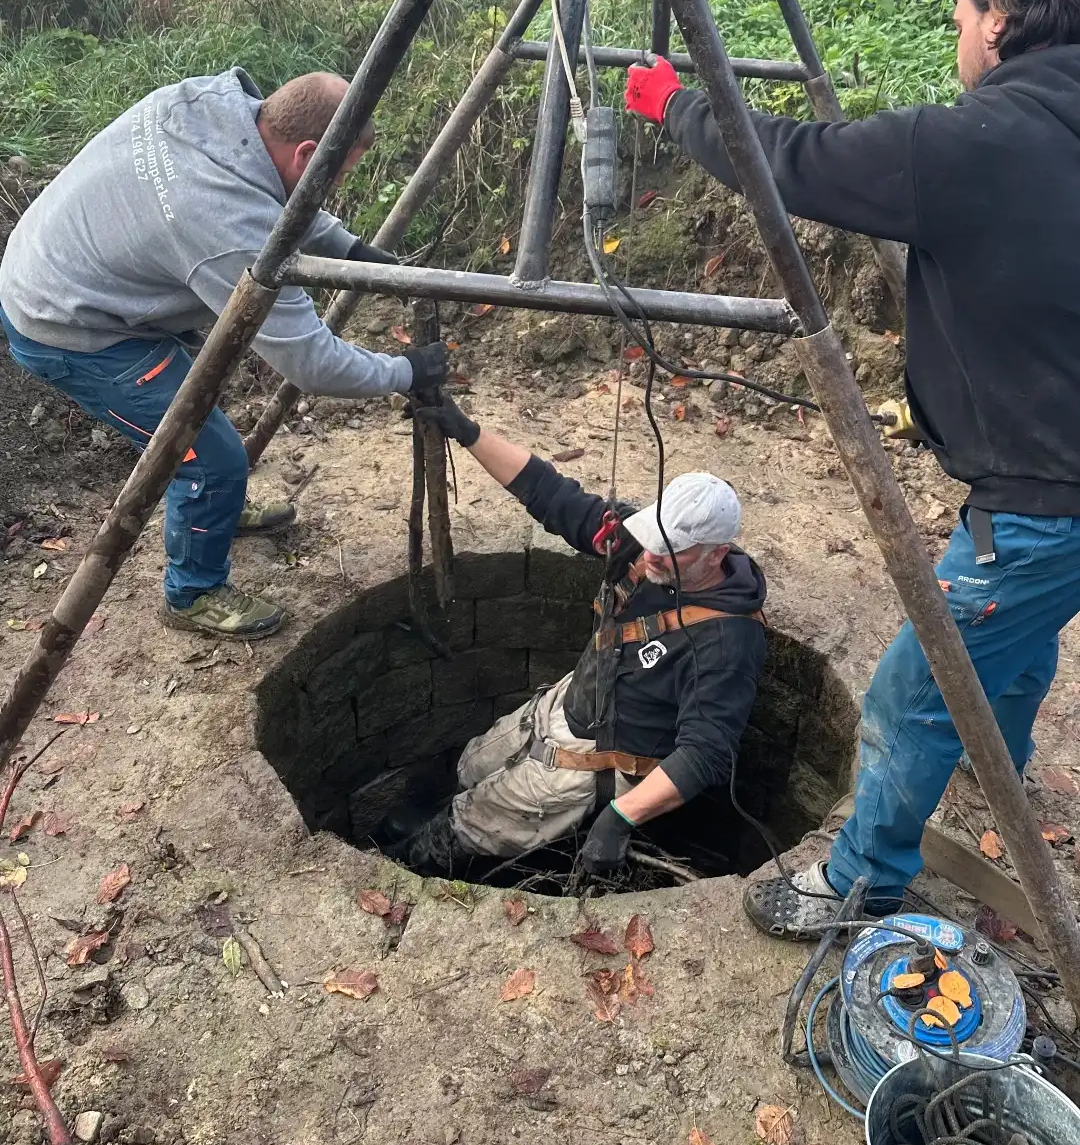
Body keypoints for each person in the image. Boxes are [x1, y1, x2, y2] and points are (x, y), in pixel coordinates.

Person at [622, 0, 1080, 937]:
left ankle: (861, 880)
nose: (956, 35)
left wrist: (672, 104)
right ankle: (994, 778)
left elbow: (789, 159)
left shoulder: (980, 143)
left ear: (1000, 22)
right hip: (1053, 477)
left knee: (915, 688)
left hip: (1046, 492)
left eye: (960, 15)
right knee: (1020, 636)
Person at [0, 67, 448, 639]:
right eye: (333, 176)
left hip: (60, 261)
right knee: (208, 457)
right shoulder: (227, 224)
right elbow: (309, 362)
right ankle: (192, 595)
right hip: (65, 324)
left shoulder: (213, 102)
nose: (330, 187)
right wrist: (406, 370)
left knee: (204, 434)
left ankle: (216, 511)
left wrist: (353, 250)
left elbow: (283, 196)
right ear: (307, 150)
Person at [384, 396, 767, 878]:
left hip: (598, 761)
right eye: (652, 539)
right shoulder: (647, 546)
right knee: (469, 767)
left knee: (471, 824)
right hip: (569, 703)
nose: (651, 556)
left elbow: (706, 751)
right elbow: (550, 494)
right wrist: (466, 430)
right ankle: (423, 820)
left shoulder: (728, 644)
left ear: (717, 554)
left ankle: (409, 869)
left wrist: (618, 819)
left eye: (673, 553)